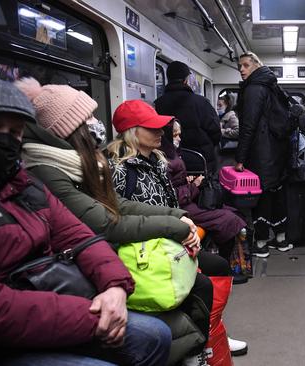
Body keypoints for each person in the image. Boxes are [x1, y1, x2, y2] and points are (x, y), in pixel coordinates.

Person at [13, 77, 209, 365]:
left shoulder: (85, 163)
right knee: (185, 294)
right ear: (69, 128)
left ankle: (199, 352)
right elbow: (105, 223)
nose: (96, 122)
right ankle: (195, 353)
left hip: (105, 250)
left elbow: (117, 205)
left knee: (198, 281)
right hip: (89, 259)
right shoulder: (49, 171)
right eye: (88, 117)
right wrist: (177, 227)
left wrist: (178, 215)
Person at [0, 76, 171, 365]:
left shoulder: (26, 185)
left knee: (156, 335)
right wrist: (94, 315)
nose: (5, 139)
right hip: (12, 325)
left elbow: (81, 236)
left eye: (15, 132)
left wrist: (115, 287)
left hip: (58, 290)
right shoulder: (50, 172)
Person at [106, 100, 248, 358]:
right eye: (153, 128)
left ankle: (212, 334)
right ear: (132, 132)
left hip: (168, 236)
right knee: (203, 284)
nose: (161, 133)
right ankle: (200, 349)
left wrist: (186, 231)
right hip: (140, 245)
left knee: (217, 265)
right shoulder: (117, 167)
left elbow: (171, 204)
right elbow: (119, 215)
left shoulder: (158, 162)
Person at [160, 120, 247, 266]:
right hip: (181, 208)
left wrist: (187, 181)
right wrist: (194, 185)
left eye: (179, 135)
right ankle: (226, 264)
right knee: (228, 219)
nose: (179, 139)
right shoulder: (164, 161)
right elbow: (172, 196)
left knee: (233, 212)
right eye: (175, 135)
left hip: (188, 201)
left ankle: (228, 261)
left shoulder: (174, 155)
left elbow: (176, 183)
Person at [234, 51, 290, 256]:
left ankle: (261, 242)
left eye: (246, 65)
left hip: (261, 151)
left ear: (256, 65)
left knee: (262, 196)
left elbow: (248, 125)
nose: (241, 70)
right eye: (239, 66)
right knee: (277, 194)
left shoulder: (254, 89)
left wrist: (240, 157)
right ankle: (281, 239)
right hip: (278, 149)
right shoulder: (271, 84)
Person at [155, 61, 221, 173]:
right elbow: (215, 132)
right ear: (186, 80)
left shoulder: (157, 104)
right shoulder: (202, 103)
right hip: (200, 160)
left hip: (170, 160)